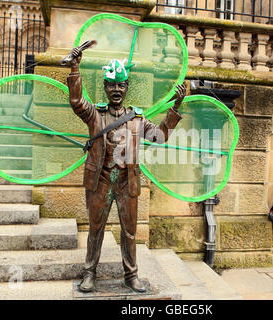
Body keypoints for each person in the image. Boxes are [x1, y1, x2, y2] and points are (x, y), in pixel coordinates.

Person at [67, 46, 186, 292]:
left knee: (129, 232)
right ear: (105, 88)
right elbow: (77, 101)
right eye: (111, 85)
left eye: (121, 85)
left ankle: (131, 276)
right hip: (100, 180)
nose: (116, 90)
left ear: (126, 87)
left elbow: (160, 137)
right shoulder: (95, 115)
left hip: (126, 181)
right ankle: (89, 273)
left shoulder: (137, 119)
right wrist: (75, 67)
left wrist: (175, 108)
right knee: (95, 229)